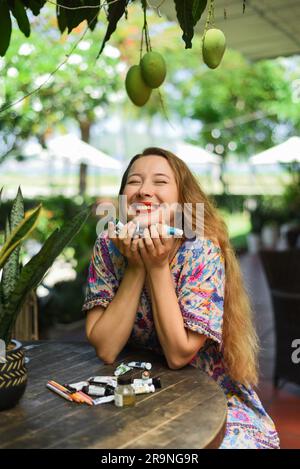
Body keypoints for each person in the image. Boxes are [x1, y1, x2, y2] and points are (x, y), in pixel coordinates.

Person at [82, 147, 280, 449]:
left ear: (182, 204)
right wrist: (137, 265)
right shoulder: (108, 247)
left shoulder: (201, 252)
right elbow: (106, 349)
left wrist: (157, 266)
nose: (144, 191)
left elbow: (179, 355)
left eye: (160, 182)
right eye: (134, 181)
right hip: (136, 393)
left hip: (212, 398)